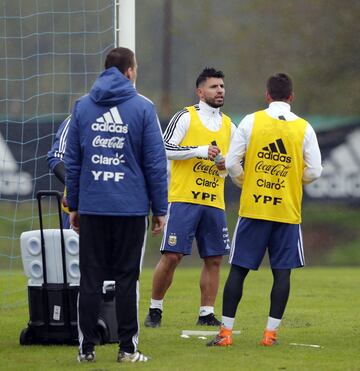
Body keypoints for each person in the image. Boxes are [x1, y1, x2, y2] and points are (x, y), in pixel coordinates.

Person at [64, 47, 168, 363]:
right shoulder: (143, 108)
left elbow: (73, 161)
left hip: (93, 207)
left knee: (90, 279)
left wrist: (75, 205)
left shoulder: (82, 107)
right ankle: (127, 349)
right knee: (127, 280)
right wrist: (160, 208)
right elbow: (154, 162)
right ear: (130, 72)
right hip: (130, 208)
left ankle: (86, 350)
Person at [207, 73, 322, 347]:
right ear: (291, 98)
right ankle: (270, 335)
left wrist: (246, 181)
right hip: (286, 210)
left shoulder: (251, 120)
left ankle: (225, 334)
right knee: (282, 273)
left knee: (239, 270)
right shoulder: (305, 128)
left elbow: (233, 163)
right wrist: (295, 179)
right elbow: (315, 170)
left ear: (267, 95)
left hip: (254, 209)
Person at [144, 67, 236, 328]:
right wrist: (200, 150)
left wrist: (223, 168)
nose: (220, 90)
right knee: (172, 256)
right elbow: (165, 147)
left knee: (215, 258)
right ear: (200, 91)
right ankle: (155, 310)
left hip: (213, 201)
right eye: (213, 86)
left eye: (222, 86)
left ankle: (206, 313)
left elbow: (228, 166)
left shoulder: (230, 125)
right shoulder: (185, 116)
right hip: (183, 198)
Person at [47, 115, 71, 228]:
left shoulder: (131, 113)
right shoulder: (79, 115)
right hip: (80, 208)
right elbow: (56, 157)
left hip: (125, 209)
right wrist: (76, 187)